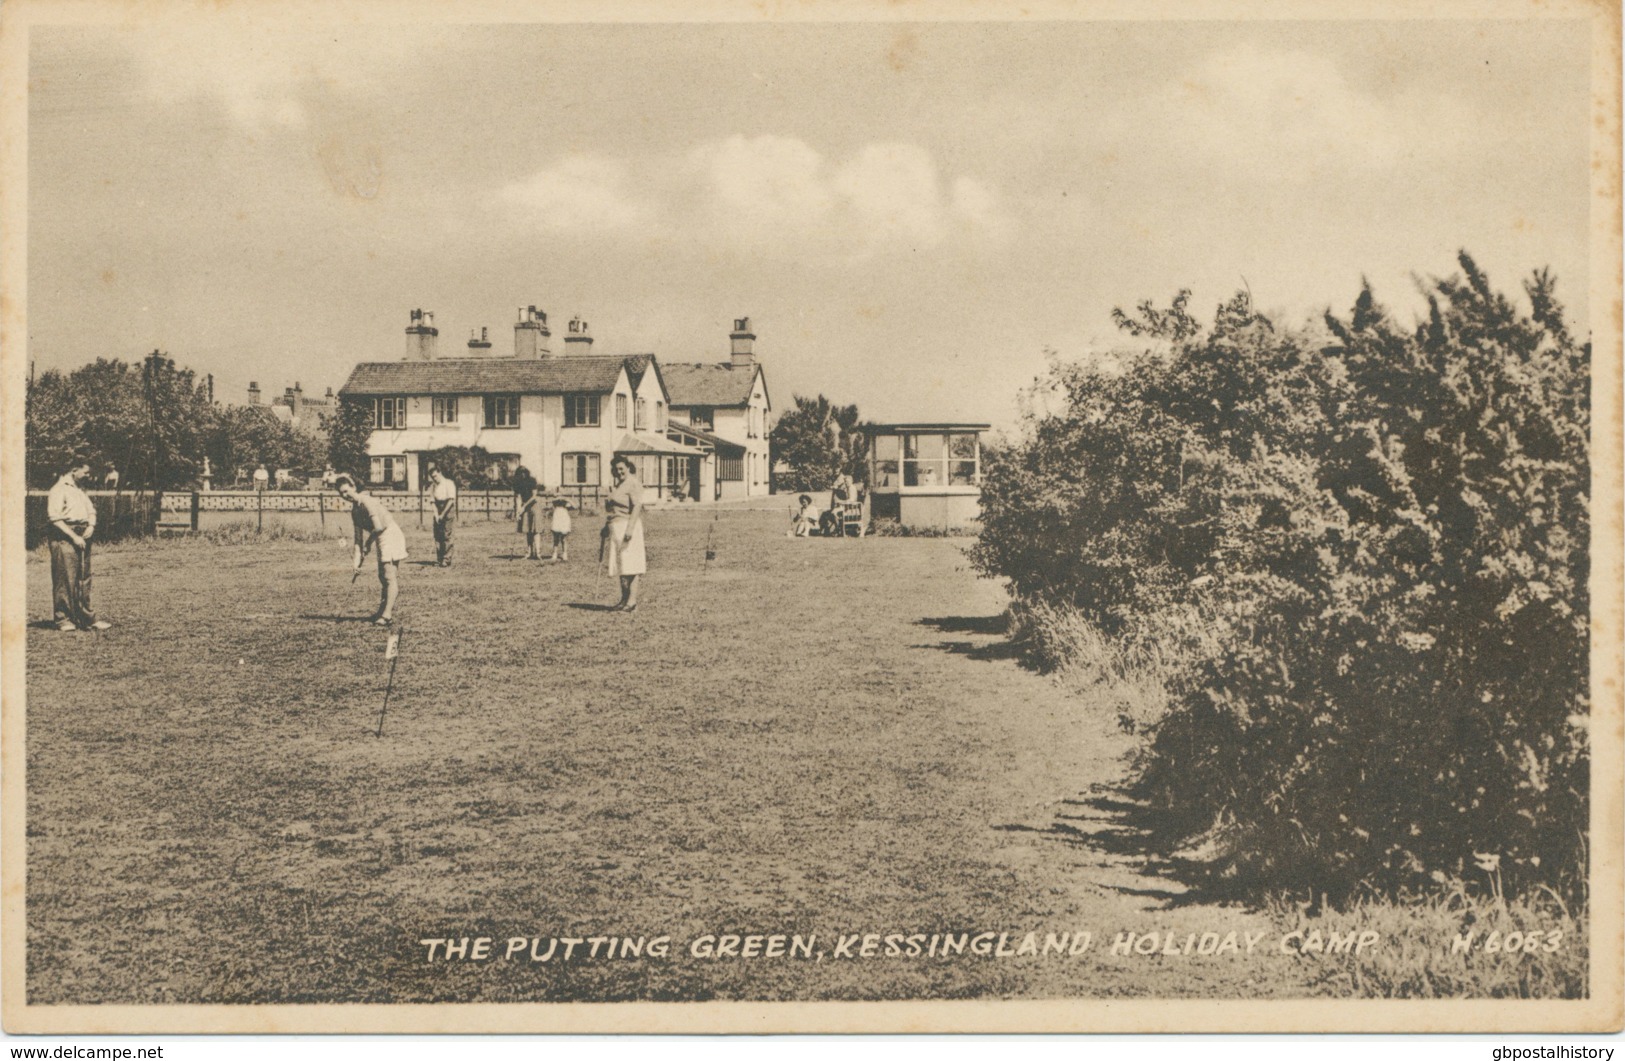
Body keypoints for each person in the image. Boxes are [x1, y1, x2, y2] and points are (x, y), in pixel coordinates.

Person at [47, 458, 111, 632]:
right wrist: (74, 536)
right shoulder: (58, 489)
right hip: (64, 536)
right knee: (65, 578)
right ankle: (63, 619)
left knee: (84, 577)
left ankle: (87, 618)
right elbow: (55, 518)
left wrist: (91, 525)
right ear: (74, 470)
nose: (88, 475)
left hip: (83, 535)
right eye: (86, 472)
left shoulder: (80, 490)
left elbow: (91, 510)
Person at [334, 474, 407, 626]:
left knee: (389, 576)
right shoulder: (355, 511)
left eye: (346, 491)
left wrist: (368, 543)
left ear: (354, 487)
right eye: (341, 494)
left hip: (390, 534)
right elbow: (357, 540)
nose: (345, 496)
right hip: (380, 537)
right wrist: (356, 563)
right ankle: (383, 611)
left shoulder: (367, 501)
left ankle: (386, 615)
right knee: (382, 576)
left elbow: (379, 527)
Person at [602, 455, 646, 612]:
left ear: (628, 467)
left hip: (629, 526)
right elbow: (613, 509)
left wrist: (630, 528)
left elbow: (636, 506)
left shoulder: (632, 483)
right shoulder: (619, 485)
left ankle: (632, 602)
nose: (618, 471)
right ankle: (624, 599)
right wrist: (606, 526)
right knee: (622, 565)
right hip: (616, 526)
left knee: (631, 565)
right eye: (615, 469)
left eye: (621, 468)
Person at [428, 466, 457, 567]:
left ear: (440, 473)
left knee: (446, 534)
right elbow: (432, 502)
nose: (434, 479)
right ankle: (439, 559)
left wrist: (442, 514)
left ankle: (446, 559)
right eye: (432, 477)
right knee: (438, 535)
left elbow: (450, 501)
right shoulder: (433, 486)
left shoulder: (449, 483)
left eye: (435, 476)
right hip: (438, 508)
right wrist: (436, 515)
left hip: (448, 509)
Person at [512, 465, 542, 560]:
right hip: (525, 507)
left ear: (526, 473)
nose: (522, 475)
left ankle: (538, 553)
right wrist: (518, 511)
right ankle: (529, 553)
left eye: (524, 473)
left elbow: (534, 496)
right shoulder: (517, 483)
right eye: (520, 474)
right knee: (528, 530)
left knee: (536, 530)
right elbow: (519, 497)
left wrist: (523, 506)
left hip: (534, 506)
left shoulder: (532, 480)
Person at [549, 497, 573, 562]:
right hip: (556, 521)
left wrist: (567, 499)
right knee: (555, 539)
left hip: (564, 521)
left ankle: (564, 554)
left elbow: (575, 506)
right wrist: (556, 499)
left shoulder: (566, 505)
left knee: (564, 539)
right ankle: (554, 554)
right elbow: (549, 506)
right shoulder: (554, 505)